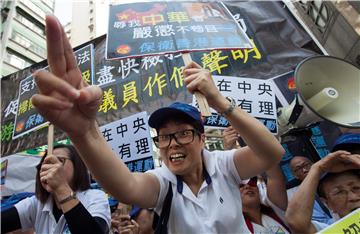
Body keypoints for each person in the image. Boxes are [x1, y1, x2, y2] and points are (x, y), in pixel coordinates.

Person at [31, 15, 285, 232]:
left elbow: (272, 152)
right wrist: (85, 133)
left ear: (201, 138)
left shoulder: (224, 164)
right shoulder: (162, 182)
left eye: (183, 133)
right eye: (164, 136)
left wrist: (218, 100)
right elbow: (126, 187)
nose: (172, 144)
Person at [1, 144, 111, 234]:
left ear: (77, 166)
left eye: (59, 161)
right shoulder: (36, 204)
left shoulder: (94, 197)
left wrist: (61, 188)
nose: (49, 168)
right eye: (45, 164)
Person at [285, 133, 360, 233]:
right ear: (327, 203)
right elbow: (296, 222)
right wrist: (317, 168)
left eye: (356, 188)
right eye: (339, 192)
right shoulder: (331, 228)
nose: (353, 197)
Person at [223, 126, 290, 233]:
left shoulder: (276, 209)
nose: (247, 186)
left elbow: (274, 176)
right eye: (240, 186)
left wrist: (251, 132)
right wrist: (228, 149)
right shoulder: (234, 228)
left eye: (253, 182)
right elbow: (224, 179)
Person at [288, 155, 333, 224]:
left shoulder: (330, 181)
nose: (304, 170)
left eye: (306, 165)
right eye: (298, 168)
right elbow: (322, 222)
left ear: (313, 165)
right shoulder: (301, 198)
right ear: (295, 175)